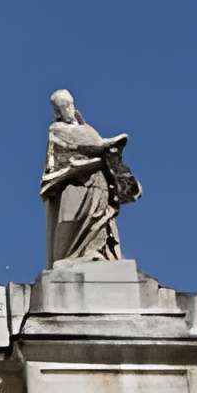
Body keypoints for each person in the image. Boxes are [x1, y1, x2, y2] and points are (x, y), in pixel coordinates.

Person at [39, 89, 140, 264]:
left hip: (97, 183)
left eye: (70, 105)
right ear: (57, 112)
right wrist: (106, 145)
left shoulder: (85, 127)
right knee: (73, 222)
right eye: (64, 107)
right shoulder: (56, 129)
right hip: (74, 184)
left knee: (98, 218)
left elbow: (95, 144)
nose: (69, 109)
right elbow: (92, 145)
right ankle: (74, 256)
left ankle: (96, 251)